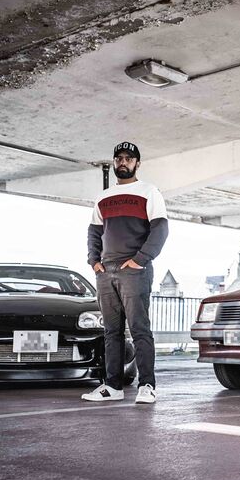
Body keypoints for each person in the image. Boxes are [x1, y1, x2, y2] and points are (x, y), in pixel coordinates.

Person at [82, 141, 169, 404]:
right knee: (111, 332)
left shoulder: (149, 191)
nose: (123, 162)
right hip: (105, 272)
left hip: (134, 271)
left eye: (129, 158)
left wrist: (139, 260)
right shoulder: (103, 197)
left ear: (137, 163)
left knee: (140, 329)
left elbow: (160, 229)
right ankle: (113, 386)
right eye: (119, 158)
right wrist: (94, 262)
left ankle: (147, 386)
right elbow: (94, 232)